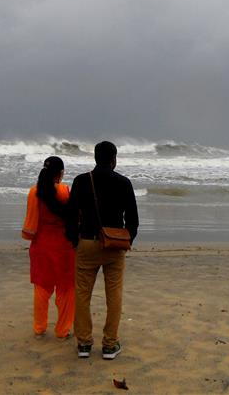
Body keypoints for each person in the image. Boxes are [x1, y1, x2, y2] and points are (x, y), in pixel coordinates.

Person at [66, 141, 139, 360]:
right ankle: (109, 345)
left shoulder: (81, 181)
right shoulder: (124, 183)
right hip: (114, 245)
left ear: (95, 158)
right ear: (114, 159)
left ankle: (84, 344)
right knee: (114, 295)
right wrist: (128, 240)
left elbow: (70, 215)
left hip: (87, 242)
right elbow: (133, 219)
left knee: (82, 294)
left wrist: (74, 240)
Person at [21, 156, 75, 339]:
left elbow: (30, 228)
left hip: (41, 246)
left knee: (41, 289)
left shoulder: (33, 192)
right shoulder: (66, 191)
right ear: (60, 173)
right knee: (66, 290)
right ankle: (62, 330)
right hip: (64, 247)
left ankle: (39, 327)